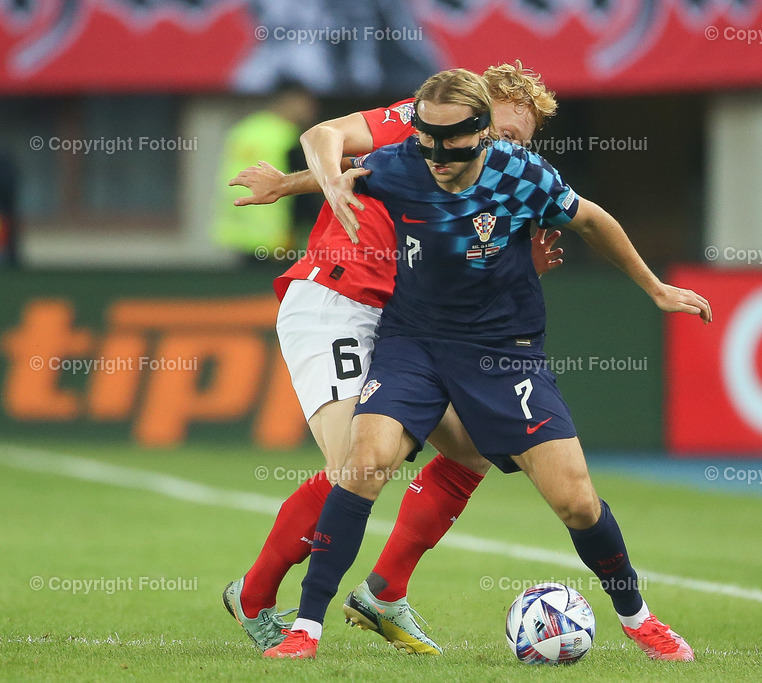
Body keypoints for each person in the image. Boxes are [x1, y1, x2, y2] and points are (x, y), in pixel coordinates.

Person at [264, 68, 711, 662]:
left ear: (483, 135)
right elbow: (337, 157)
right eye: (427, 138)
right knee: (363, 465)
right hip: (413, 343)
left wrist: (655, 289)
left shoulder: (523, 177)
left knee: (576, 501)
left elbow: (592, 220)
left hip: (504, 353)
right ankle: (307, 628)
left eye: (457, 140)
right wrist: (312, 183)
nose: (438, 153)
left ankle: (639, 619)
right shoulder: (405, 163)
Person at [223, 63, 564, 655]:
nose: (511, 149)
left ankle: (384, 591)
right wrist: (315, 182)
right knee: (356, 467)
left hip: (400, 320)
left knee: (474, 450)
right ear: (479, 111)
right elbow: (332, 140)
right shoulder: (425, 121)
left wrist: (518, 267)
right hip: (338, 298)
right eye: (504, 133)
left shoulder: (487, 178)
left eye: (521, 142)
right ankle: (255, 595)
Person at [213, 83, 319, 263]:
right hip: (277, 231)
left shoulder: (245, 129)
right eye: (307, 104)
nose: (312, 111)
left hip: (241, 225)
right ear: (290, 101)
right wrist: (308, 223)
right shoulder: (287, 136)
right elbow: (299, 188)